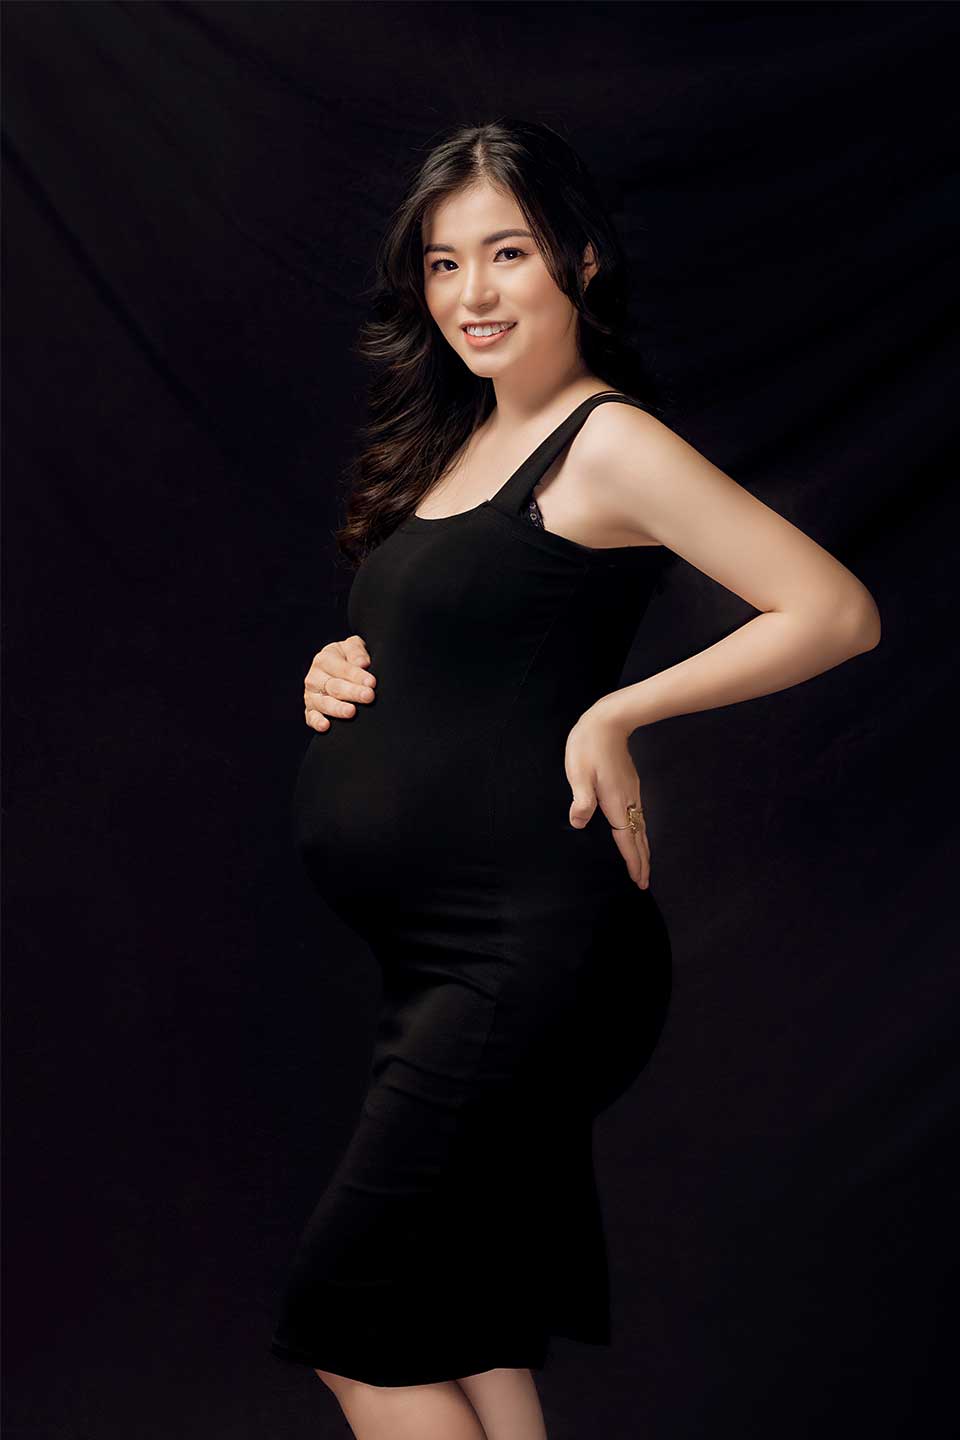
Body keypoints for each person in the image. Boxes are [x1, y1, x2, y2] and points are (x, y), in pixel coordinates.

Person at [270, 118, 881, 1440]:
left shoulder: (607, 443)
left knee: (353, 1332)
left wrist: (623, 709)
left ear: (581, 262)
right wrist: (339, 669)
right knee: (463, 1319)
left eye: (508, 253)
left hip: (527, 953)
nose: (472, 294)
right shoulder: (452, 448)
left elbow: (832, 610)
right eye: (445, 263)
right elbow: (457, 649)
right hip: (439, 959)